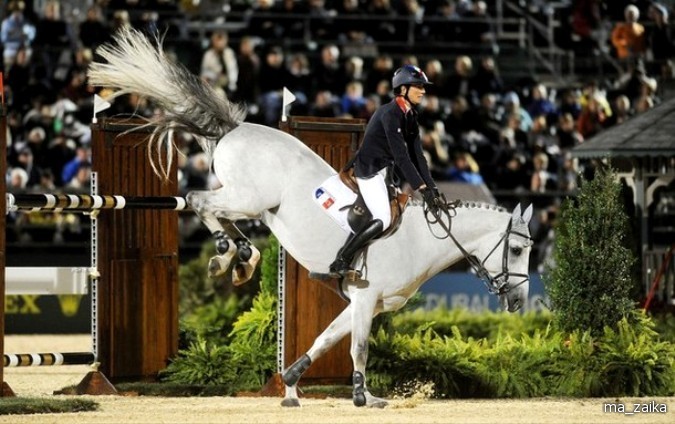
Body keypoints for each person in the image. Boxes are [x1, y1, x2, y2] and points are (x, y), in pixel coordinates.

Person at [328, 65, 442, 278]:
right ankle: (341, 260)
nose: (423, 91)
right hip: (369, 170)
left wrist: (432, 188)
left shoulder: (409, 115)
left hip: (384, 171)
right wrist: (421, 188)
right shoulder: (391, 113)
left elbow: (418, 156)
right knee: (384, 217)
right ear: (403, 89)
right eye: (418, 86)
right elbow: (402, 157)